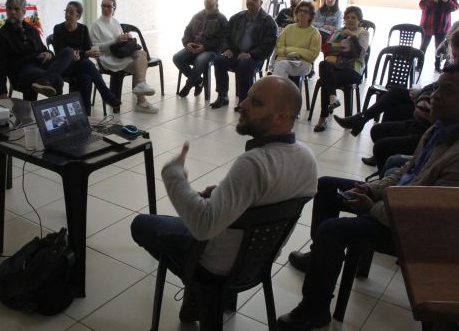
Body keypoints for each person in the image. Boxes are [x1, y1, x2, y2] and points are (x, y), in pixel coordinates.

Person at [278, 65, 459, 331]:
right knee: (326, 187)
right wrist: (373, 189)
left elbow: (431, 222)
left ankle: (314, 310)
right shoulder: (441, 129)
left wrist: (373, 208)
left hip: (419, 234)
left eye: (447, 91)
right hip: (400, 204)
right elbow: (407, 171)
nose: (436, 95)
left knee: (332, 230)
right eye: (437, 87)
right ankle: (319, 258)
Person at [131, 76, 318, 323]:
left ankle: (201, 292)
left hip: (216, 265)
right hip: (258, 260)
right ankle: (198, 301)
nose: (243, 104)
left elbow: (203, 225)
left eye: (256, 102)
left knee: (142, 225)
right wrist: (223, 192)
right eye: (247, 96)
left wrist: (174, 176)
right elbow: (273, 194)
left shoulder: (253, 164)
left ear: (282, 117)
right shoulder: (307, 159)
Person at [337, 26, 459, 172]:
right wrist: (422, 95)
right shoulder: (458, 69)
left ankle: (362, 122)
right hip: (426, 116)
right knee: (396, 94)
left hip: (430, 124)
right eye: (454, 56)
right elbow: (433, 87)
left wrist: (421, 98)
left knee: (392, 113)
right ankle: (362, 120)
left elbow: (439, 104)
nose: (456, 61)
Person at [0, 0, 74, 99]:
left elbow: (43, 49)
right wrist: (2, 93)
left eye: (16, 9)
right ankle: (53, 109)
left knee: (69, 51)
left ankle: (45, 80)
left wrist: (49, 53)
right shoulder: (0, 37)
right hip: (21, 70)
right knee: (57, 80)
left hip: (40, 63)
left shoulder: (31, 30)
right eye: (9, 9)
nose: (12, 12)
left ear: (24, 11)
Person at [209, 0, 277, 111]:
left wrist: (250, 54)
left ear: (261, 3)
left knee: (245, 65)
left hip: (255, 57)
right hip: (235, 53)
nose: (250, 1)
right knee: (219, 60)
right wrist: (227, 48)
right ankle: (222, 95)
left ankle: (244, 100)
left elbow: (267, 46)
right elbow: (225, 36)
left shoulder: (268, 22)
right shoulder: (237, 18)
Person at [90, 0, 158, 114]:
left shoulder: (115, 22)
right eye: (103, 6)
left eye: (108, 6)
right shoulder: (96, 25)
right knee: (140, 62)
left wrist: (126, 39)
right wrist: (116, 40)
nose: (105, 8)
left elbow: (119, 42)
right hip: (107, 58)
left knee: (141, 55)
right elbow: (95, 47)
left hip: (118, 54)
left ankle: (141, 87)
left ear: (114, 9)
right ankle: (141, 100)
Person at [51, 1, 121, 114]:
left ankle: (86, 116)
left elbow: (88, 49)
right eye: (66, 11)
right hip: (64, 66)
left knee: (86, 78)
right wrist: (82, 54)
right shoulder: (58, 29)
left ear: (78, 16)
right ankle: (107, 95)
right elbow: (60, 52)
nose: (67, 15)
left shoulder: (83, 29)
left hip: (80, 65)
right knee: (87, 64)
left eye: (71, 13)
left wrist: (84, 54)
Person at [313, 6, 369, 132]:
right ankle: (333, 98)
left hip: (352, 70)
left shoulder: (363, 33)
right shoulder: (338, 31)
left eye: (353, 18)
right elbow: (326, 49)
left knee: (326, 79)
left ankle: (323, 118)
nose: (350, 20)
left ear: (359, 20)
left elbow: (359, 54)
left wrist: (352, 37)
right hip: (334, 68)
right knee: (323, 65)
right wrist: (344, 48)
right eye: (347, 17)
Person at [174, 0, 228, 97]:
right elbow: (187, 31)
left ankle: (188, 85)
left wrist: (205, 46)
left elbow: (222, 39)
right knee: (177, 58)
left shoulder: (221, 19)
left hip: (210, 50)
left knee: (200, 61)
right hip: (193, 46)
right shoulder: (197, 15)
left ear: (216, 1)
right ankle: (198, 81)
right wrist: (187, 43)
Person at [419, 0, 459, 71]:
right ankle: (419, 65)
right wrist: (433, 0)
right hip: (428, 24)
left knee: (440, 48)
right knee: (423, 46)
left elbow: (455, 7)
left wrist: (448, 1)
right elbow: (422, 6)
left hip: (442, 25)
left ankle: (437, 66)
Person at [272, 1, 321, 79]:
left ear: (310, 15)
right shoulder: (288, 28)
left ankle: (277, 90)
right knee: (280, 65)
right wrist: (292, 53)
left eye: (305, 11)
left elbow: (312, 55)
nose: (302, 13)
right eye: (300, 10)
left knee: (280, 66)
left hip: (303, 64)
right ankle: (281, 90)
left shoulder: (314, 33)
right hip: (283, 60)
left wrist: (290, 50)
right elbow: (278, 49)